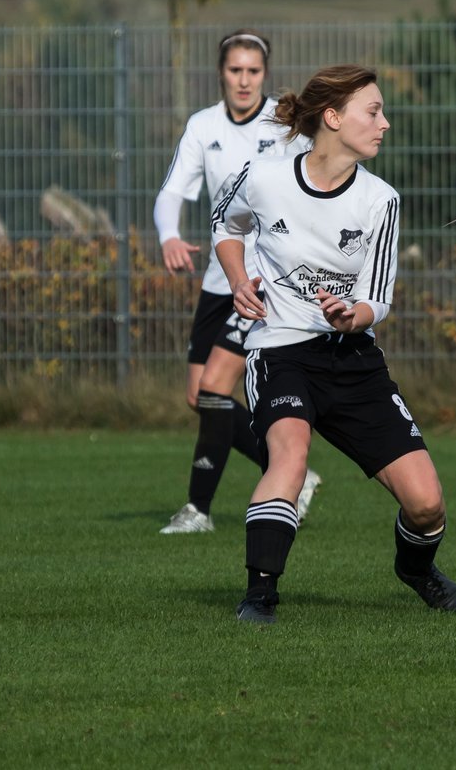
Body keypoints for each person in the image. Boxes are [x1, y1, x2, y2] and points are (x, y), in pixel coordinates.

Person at [212, 64, 456, 624]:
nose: (385, 124)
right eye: (373, 112)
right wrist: (238, 281)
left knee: (426, 503)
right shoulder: (262, 175)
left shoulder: (380, 200)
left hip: (352, 358)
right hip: (280, 351)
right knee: (290, 458)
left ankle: (417, 570)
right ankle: (260, 595)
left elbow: (378, 298)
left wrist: (351, 315)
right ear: (333, 118)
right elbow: (225, 226)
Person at [155, 29, 321, 535]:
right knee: (199, 397)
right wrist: (168, 235)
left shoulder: (286, 125)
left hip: (261, 280)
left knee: (213, 388)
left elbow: (315, 188)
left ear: (264, 75)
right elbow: (172, 192)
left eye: (253, 71)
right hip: (215, 278)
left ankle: (198, 510)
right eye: (235, 70)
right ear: (221, 73)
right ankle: (296, 471)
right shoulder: (203, 126)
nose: (244, 80)